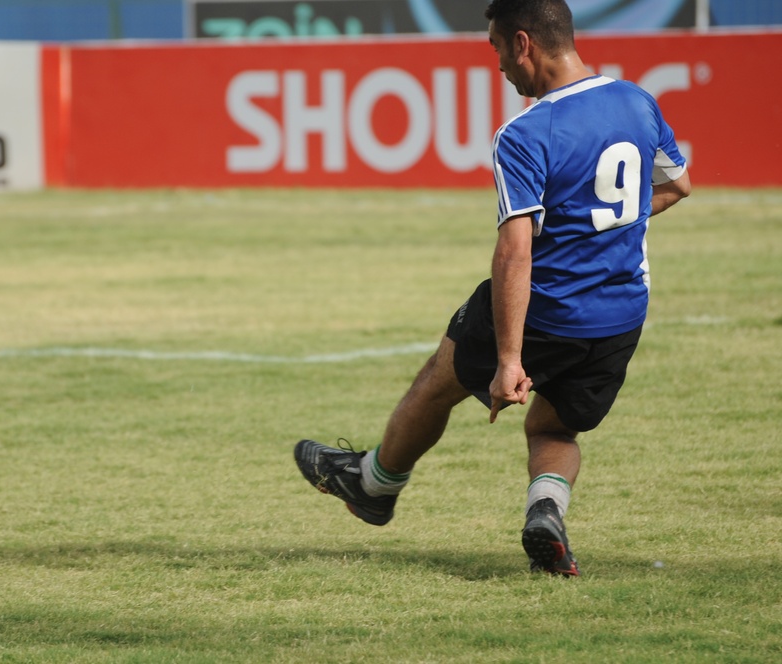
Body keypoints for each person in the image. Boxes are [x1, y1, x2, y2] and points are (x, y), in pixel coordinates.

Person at [293, 0, 691, 576]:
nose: (500, 65)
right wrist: (602, 226)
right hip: (620, 317)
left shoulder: (525, 132)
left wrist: (509, 360)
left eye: (498, 48)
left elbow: (514, 251)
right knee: (554, 426)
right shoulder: (637, 101)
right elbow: (678, 184)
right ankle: (545, 513)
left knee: (438, 380)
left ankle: (373, 484)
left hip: (544, 312)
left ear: (524, 43)